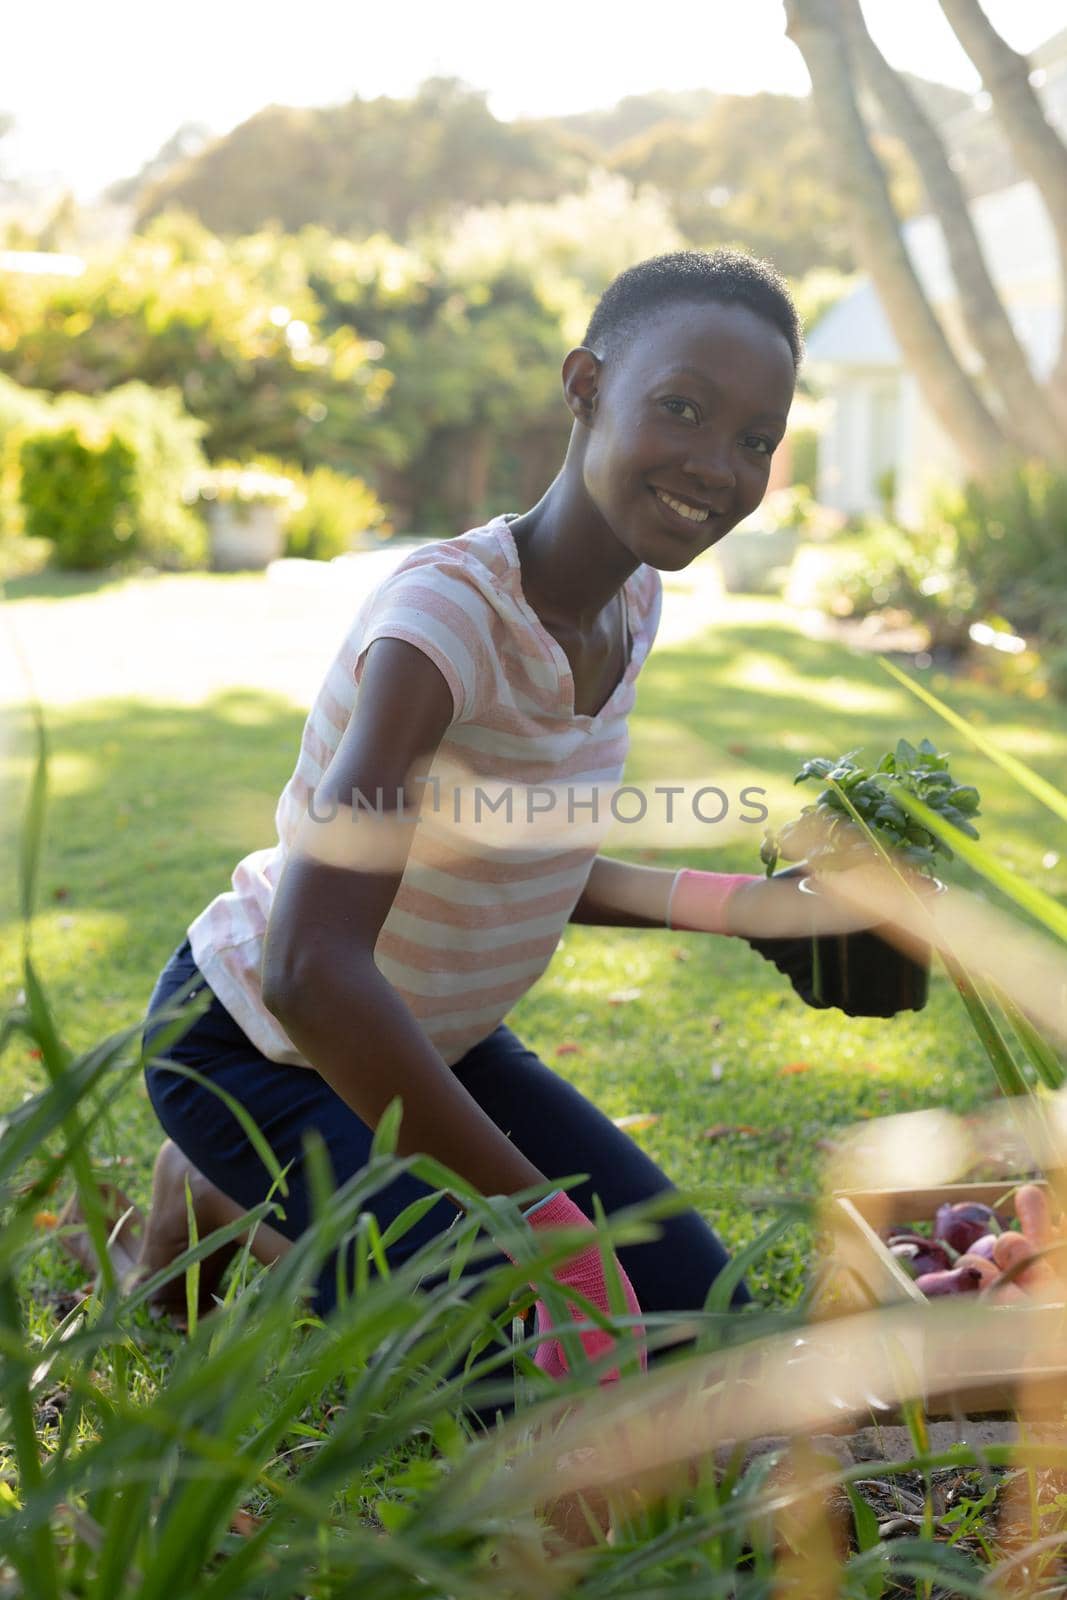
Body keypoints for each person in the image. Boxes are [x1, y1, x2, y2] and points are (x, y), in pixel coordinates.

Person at [127, 248, 872, 1403]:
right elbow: (310, 971)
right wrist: (549, 1234)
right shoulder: (442, 622)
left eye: (754, 441)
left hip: (433, 1039)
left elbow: (512, 850)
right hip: (253, 1044)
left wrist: (750, 909)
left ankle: (240, 1197)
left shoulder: (631, 598)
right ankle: (223, 1186)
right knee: (536, 1374)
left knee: (697, 1327)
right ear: (584, 384)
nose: (718, 467)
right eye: (680, 407)